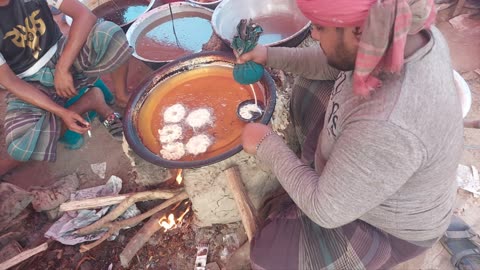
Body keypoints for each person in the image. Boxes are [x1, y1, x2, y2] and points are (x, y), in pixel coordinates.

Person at [238, 0, 464, 269]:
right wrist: (269, 55)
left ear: (359, 31)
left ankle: (364, 246)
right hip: (368, 162)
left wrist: (267, 145)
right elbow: (332, 62)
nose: (314, 34)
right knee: (308, 85)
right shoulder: (400, 31)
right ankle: (315, 175)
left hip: (385, 228)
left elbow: (326, 210)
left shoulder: (389, 125)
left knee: (266, 257)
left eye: (320, 27)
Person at [0, 0, 133, 178]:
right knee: (20, 147)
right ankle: (92, 100)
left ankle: (122, 97)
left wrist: (62, 67)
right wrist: (61, 112)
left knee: (109, 33)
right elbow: (10, 82)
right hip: (28, 81)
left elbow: (85, 16)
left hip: (62, 52)